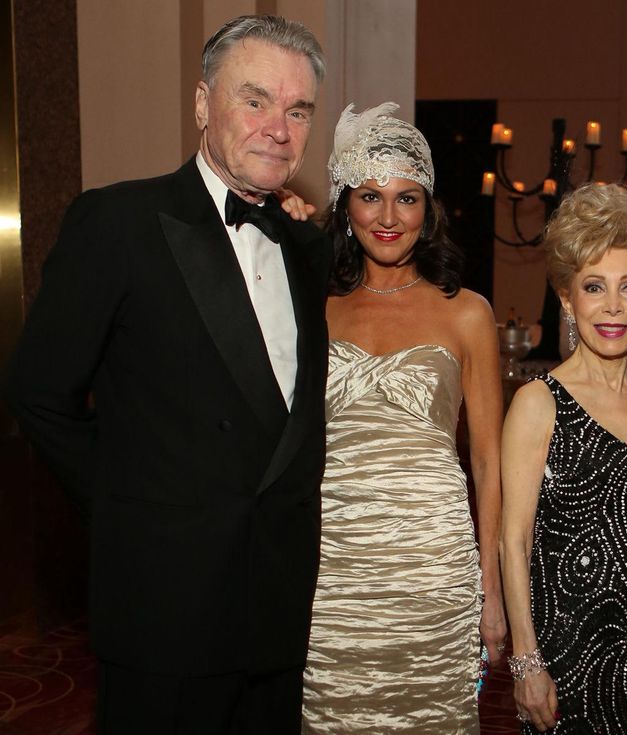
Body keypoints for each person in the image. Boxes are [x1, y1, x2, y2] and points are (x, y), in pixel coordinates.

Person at [4, 15, 329, 733]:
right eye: (255, 100)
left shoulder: (304, 246)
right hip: (165, 601)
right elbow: (36, 392)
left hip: (276, 604)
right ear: (203, 104)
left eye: (297, 109)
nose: (279, 127)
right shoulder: (119, 222)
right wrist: (130, 508)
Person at [300, 103, 507, 733]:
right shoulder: (315, 304)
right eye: (370, 196)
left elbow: (488, 461)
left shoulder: (466, 312)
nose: (388, 218)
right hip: (332, 567)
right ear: (344, 204)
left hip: (433, 565)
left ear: (430, 208)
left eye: (406, 198)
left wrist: (490, 590)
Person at [500, 183, 627, 733]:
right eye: (595, 287)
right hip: (569, 655)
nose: (613, 307)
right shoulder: (538, 403)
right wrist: (526, 660)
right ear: (568, 299)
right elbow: (512, 541)